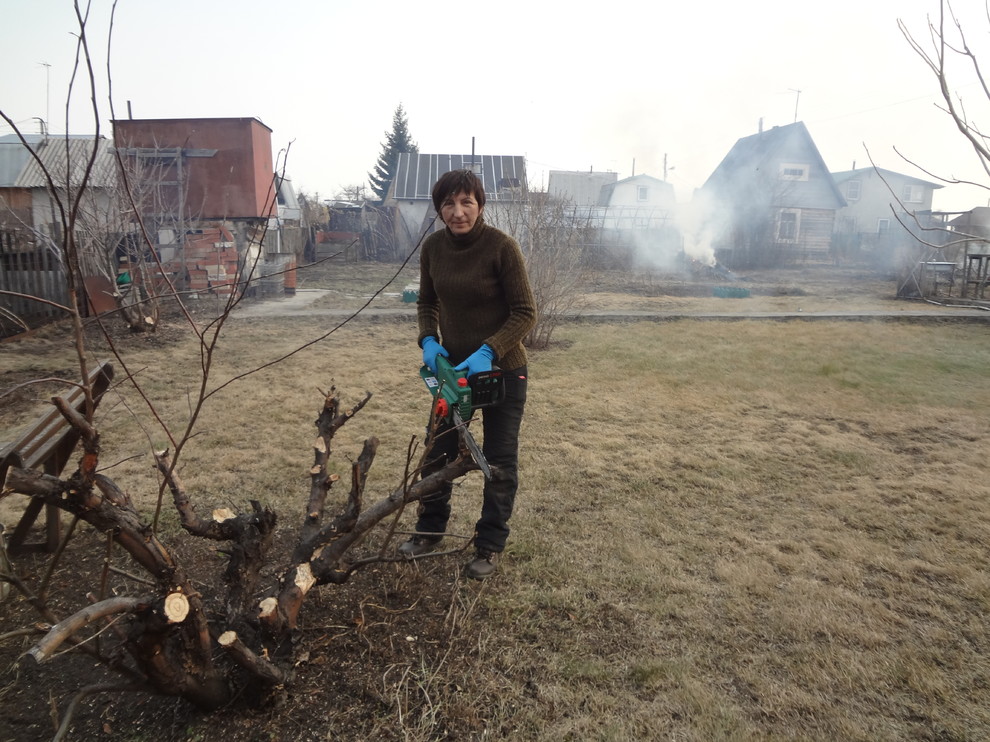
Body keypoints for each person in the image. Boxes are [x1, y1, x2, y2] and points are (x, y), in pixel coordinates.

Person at [399, 169, 537, 580]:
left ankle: (489, 545)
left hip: (502, 372)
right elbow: (427, 302)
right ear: (439, 208)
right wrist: (428, 338)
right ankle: (429, 529)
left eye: (466, 203)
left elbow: (525, 313)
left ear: (480, 204)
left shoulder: (502, 248)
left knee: (499, 460)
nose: (457, 212)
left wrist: (489, 351)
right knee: (436, 451)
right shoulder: (433, 248)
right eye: (448, 204)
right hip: (452, 374)